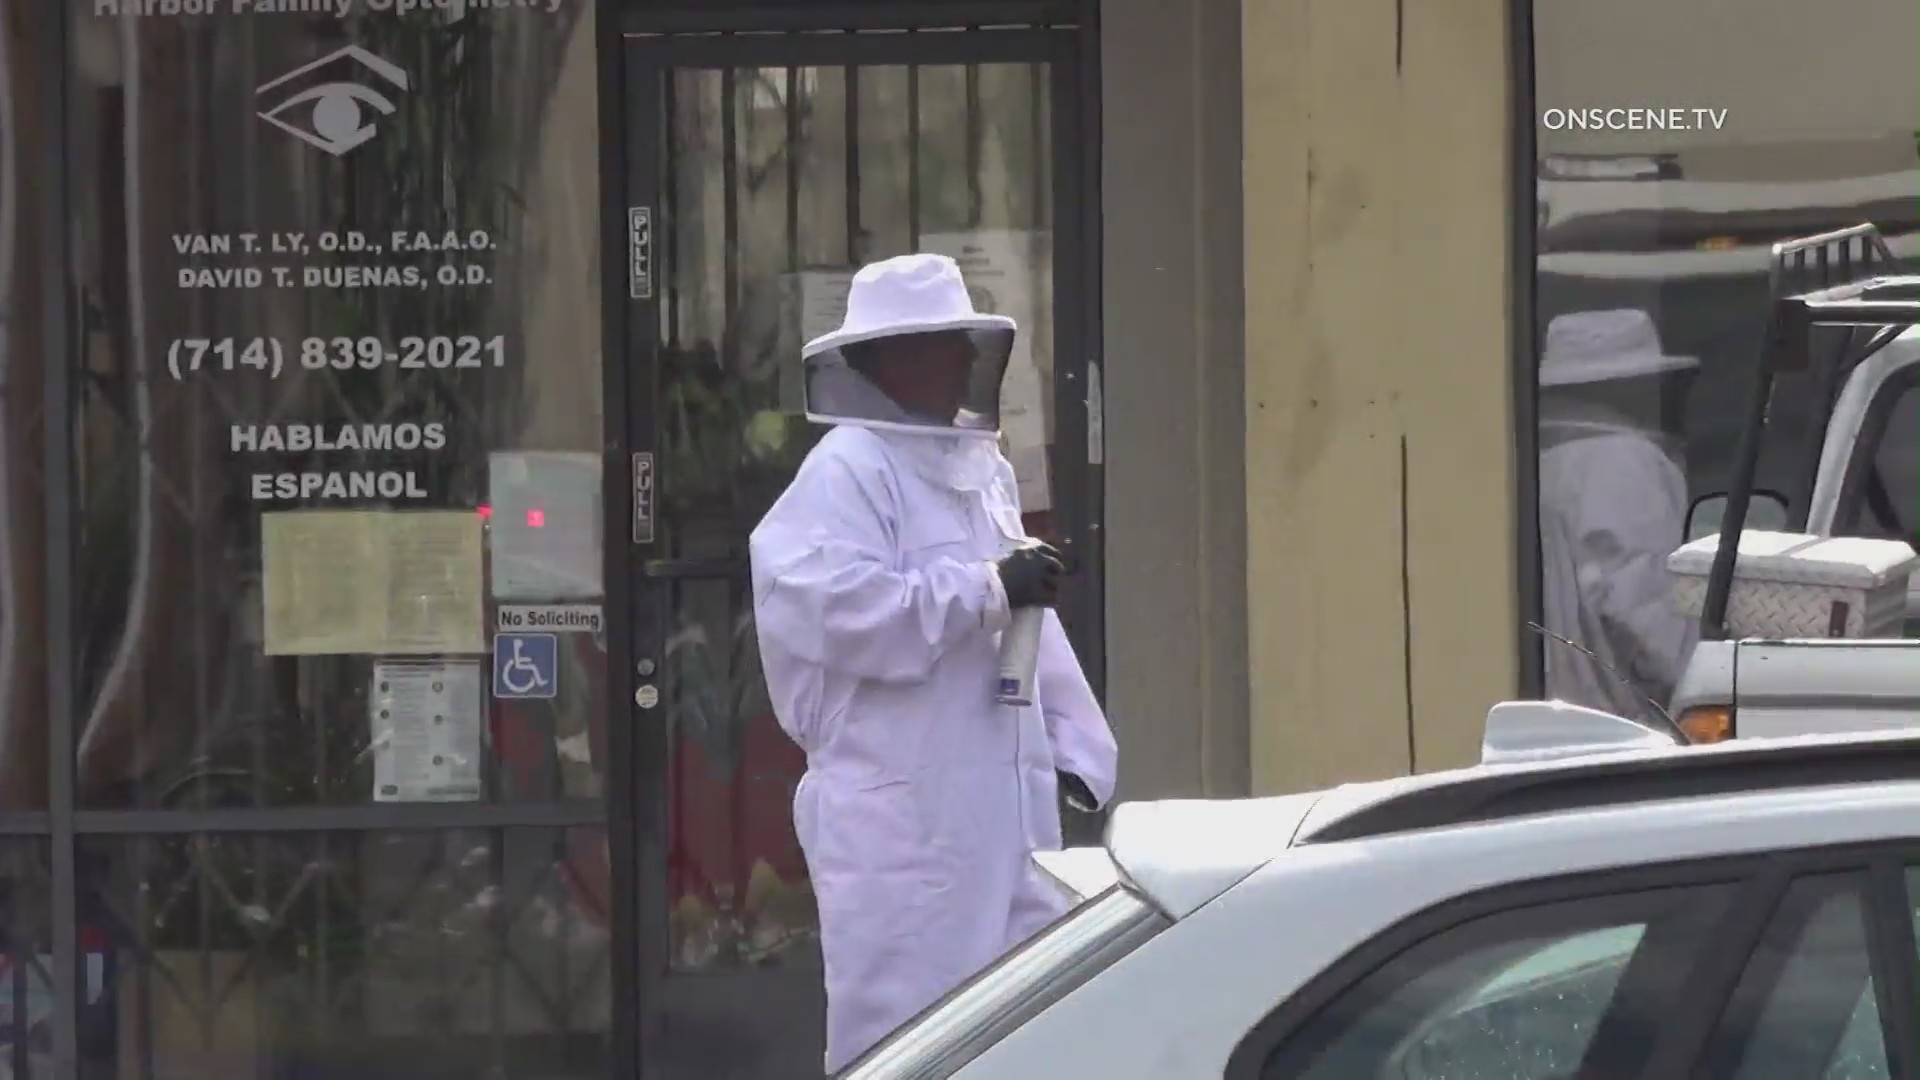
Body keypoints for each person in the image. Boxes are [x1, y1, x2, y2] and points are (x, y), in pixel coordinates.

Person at [748, 253, 1118, 1071]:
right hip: (901, 827)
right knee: (902, 1044)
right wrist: (985, 587)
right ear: (887, 359)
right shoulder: (846, 471)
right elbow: (835, 609)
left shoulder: (974, 470)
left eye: (959, 346)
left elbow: (1026, 618)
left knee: (1017, 1031)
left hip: (1001, 817)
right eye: (936, 346)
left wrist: (1077, 755)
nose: (955, 364)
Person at [1537, 308, 1700, 721]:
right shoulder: (1624, 462)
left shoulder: (1539, 464)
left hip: (1552, 718)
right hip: (1622, 729)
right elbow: (1646, 619)